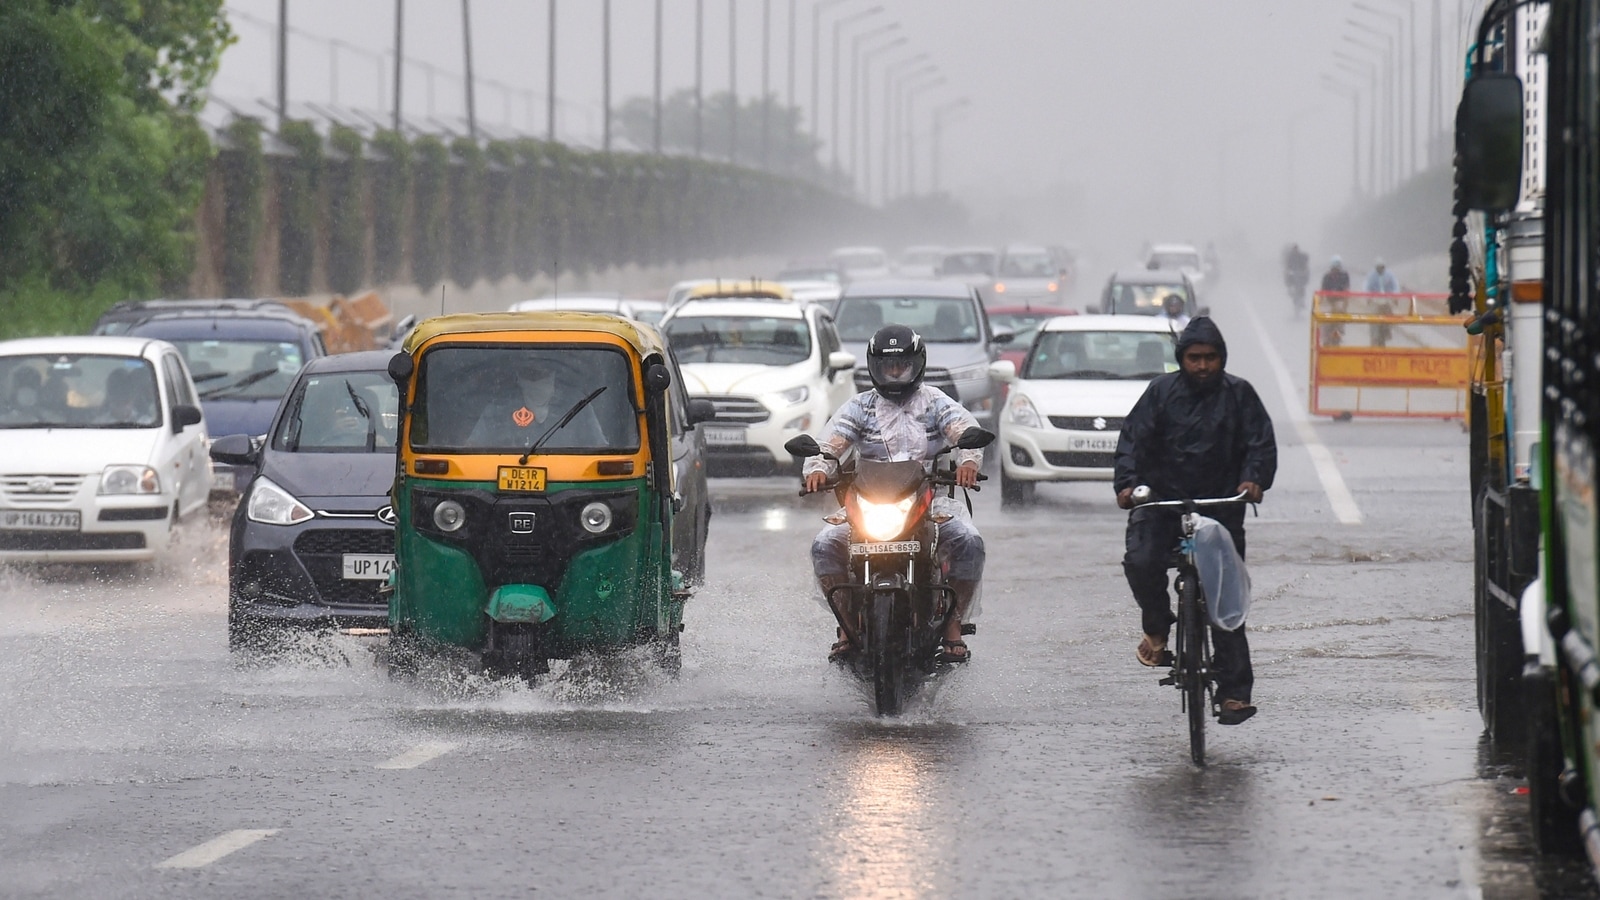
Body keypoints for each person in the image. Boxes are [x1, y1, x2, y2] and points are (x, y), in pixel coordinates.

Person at [1114, 317, 1277, 725]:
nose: (1202, 366)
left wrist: (1254, 479)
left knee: (1225, 598)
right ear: (1181, 359)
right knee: (1142, 560)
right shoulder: (1159, 393)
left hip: (1220, 506)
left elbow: (1260, 443)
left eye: (1210, 358)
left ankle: (1235, 693)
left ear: (1222, 358)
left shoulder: (1241, 395)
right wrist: (1129, 485)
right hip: (1161, 504)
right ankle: (1156, 628)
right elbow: (1131, 442)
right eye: (1194, 358)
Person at [802, 323, 985, 663]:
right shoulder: (860, 407)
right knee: (825, 544)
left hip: (929, 502)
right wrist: (817, 469)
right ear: (875, 367)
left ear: (917, 365)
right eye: (888, 366)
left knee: (968, 541)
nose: (895, 373)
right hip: (867, 504)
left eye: (902, 365)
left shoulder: (935, 403)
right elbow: (830, 443)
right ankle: (846, 625)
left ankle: (953, 625)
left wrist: (968, 460)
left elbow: (964, 431)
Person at [1283, 243, 1310, 313]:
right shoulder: (1290, 257)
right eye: (1294, 249)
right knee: (1289, 282)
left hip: (1300, 274)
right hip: (1292, 275)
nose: (1295, 250)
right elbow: (1287, 266)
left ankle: (1302, 300)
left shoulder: (1301, 256)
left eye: (1296, 249)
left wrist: (1303, 271)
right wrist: (1288, 271)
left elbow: (1305, 262)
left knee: (1302, 285)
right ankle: (1290, 290)